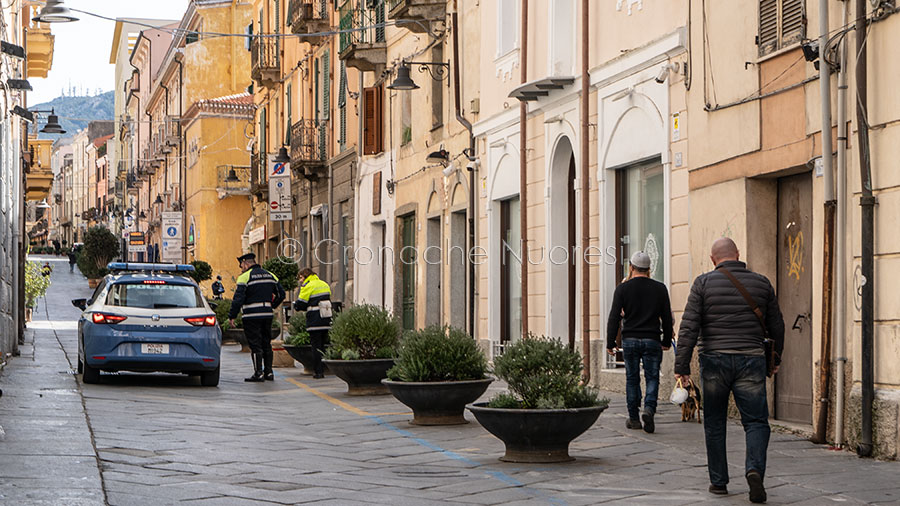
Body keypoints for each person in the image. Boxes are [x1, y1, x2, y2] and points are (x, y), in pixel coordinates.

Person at [675, 238, 784, 503]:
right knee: (756, 421)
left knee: (714, 421)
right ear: (738, 254)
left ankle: (718, 481)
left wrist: (682, 366)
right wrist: (775, 358)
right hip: (751, 358)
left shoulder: (702, 283)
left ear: (713, 259)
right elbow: (777, 325)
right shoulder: (761, 282)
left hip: (714, 359)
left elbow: (689, 326)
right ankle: (754, 470)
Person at [606, 251, 673, 434]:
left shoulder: (623, 289)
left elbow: (614, 317)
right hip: (652, 339)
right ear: (649, 269)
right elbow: (667, 317)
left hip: (630, 340)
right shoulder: (660, 288)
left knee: (632, 378)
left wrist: (611, 342)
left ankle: (634, 418)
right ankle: (649, 409)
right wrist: (666, 340)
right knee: (652, 377)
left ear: (631, 267)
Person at [228, 253, 286, 382]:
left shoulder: (244, 277)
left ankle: (258, 373)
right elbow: (281, 294)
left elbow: (238, 299)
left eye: (241, 265)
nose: (241, 268)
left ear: (246, 263)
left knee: (255, 344)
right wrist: (272, 306)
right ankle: (269, 372)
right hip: (267, 315)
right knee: (266, 343)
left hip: (251, 316)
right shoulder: (270, 275)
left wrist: (232, 316)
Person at [294, 267, 333, 379]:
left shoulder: (308, 286)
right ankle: (325, 369)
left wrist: (296, 305)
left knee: (316, 347)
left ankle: (318, 372)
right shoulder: (324, 284)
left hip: (314, 320)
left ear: (305, 276)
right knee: (323, 346)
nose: (300, 280)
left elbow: (301, 303)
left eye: (301, 278)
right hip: (326, 318)